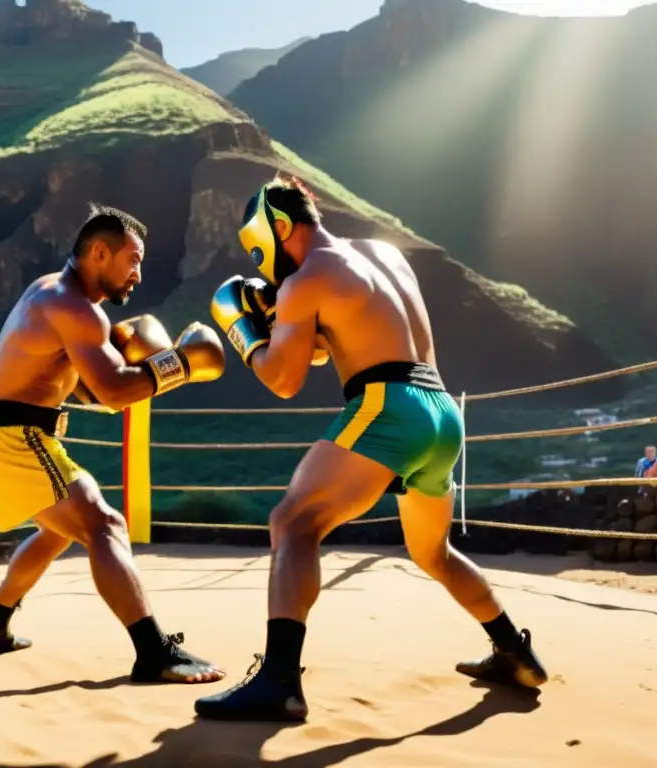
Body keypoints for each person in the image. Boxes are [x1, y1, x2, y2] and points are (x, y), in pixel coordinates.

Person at [197, 176, 548, 721]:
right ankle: (515, 651)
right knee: (432, 552)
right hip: (440, 411)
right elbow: (351, 333)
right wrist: (295, 328)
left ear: (278, 228)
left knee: (291, 523)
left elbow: (284, 379)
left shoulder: (306, 279)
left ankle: (278, 682)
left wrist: (245, 332)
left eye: (257, 243)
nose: (261, 259)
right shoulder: (382, 254)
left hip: (389, 406)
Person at [0, 204, 227, 685]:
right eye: (133, 260)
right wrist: (183, 364)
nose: (138, 274)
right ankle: (153, 651)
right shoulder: (72, 307)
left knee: (58, 530)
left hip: (11, 438)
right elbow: (113, 392)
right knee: (105, 524)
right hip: (13, 442)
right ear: (100, 253)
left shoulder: (53, 293)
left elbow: (88, 391)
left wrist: (134, 363)